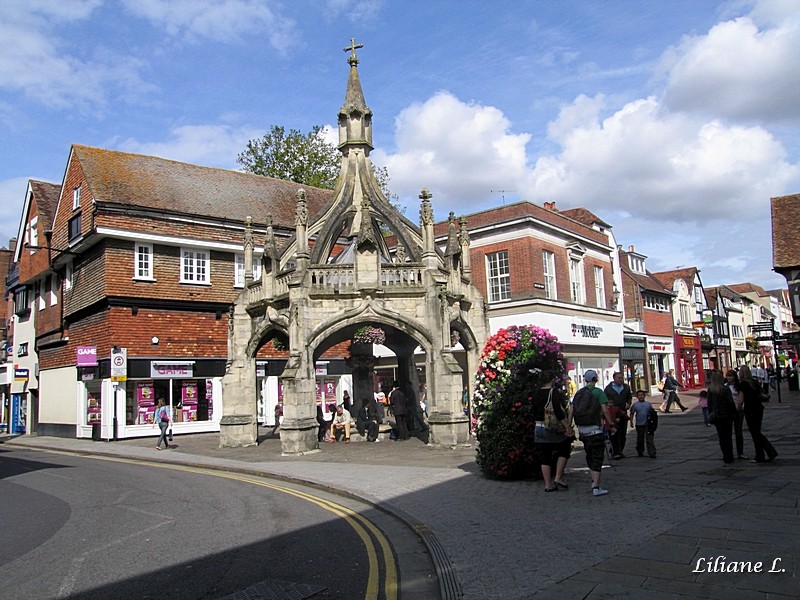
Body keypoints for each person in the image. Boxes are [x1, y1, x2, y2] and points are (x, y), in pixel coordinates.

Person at [571, 370, 616, 496]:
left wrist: (569, 426)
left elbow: (572, 410)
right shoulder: (598, 392)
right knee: (597, 457)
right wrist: (611, 424)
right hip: (595, 429)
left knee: (589, 455)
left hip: (583, 431)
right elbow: (605, 411)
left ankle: (593, 480)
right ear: (596, 379)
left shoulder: (579, 393)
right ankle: (596, 486)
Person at [532, 370, 574, 492]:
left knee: (545, 455)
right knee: (564, 449)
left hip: (538, 426)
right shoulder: (553, 392)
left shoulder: (536, 393)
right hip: (551, 427)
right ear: (552, 380)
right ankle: (558, 477)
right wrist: (567, 426)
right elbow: (558, 411)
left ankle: (547, 485)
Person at [738, 365, 778, 463]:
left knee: (755, 433)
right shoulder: (754, 382)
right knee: (757, 431)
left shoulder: (743, 384)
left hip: (750, 409)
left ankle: (763, 454)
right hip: (759, 408)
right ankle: (767, 452)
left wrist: (738, 409)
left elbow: (740, 400)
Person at [707, 371, 737, 464]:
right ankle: (730, 456)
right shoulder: (725, 389)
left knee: (721, 437)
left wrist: (710, 416)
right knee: (728, 436)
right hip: (727, 415)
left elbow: (709, 404)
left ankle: (725, 455)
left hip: (717, 416)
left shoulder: (710, 390)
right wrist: (735, 413)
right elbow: (730, 402)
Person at [604, 372, 632, 458]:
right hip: (612, 414)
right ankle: (615, 451)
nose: (621, 380)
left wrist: (628, 403)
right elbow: (605, 401)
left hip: (622, 413)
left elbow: (629, 397)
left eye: (621, 378)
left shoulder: (626, 387)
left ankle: (620, 450)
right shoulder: (608, 389)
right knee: (613, 433)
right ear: (614, 378)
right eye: (619, 378)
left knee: (622, 433)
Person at [725, 369, 747, 459]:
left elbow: (741, 398)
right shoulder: (725, 386)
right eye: (728, 376)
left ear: (734, 377)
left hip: (738, 410)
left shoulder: (738, 386)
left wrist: (739, 407)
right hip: (729, 411)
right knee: (728, 433)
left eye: (731, 376)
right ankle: (729, 453)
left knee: (738, 432)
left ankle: (740, 452)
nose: (729, 378)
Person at [629, 389, 657, 458]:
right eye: (639, 395)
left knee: (649, 439)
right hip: (639, 424)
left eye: (642, 395)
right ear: (637, 397)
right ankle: (640, 451)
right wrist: (631, 422)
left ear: (644, 396)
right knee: (640, 439)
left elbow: (652, 414)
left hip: (648, 424)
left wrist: (653, 422)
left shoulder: (648, 404)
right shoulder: (635, 405)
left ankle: (652, 452)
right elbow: (632, 413)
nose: (641, 396)